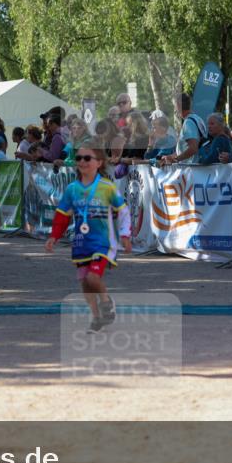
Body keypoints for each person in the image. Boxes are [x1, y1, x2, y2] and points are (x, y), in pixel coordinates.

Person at [44, 140, 132, 332]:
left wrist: (125, 234)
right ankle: (97, 318)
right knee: (85, 283)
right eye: (79, 158)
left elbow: (123, 211)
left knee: (93, 278)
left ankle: (107, 302)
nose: (82, 162)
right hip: (81, 243)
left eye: (87, 158)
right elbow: (62, 215)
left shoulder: (107, 187)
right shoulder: (72, 189)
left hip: (103, 243)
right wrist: (54, 236)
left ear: (99, 162)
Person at [159, 92, 205, 167]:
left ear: (179, 105)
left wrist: (176, 159)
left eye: (175, 107)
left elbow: (193, 148)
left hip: (191, 169)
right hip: (193, 168)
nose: (175, 110)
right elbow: (185, 148)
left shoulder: (188, 123)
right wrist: (171, 157)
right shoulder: (198, 119)